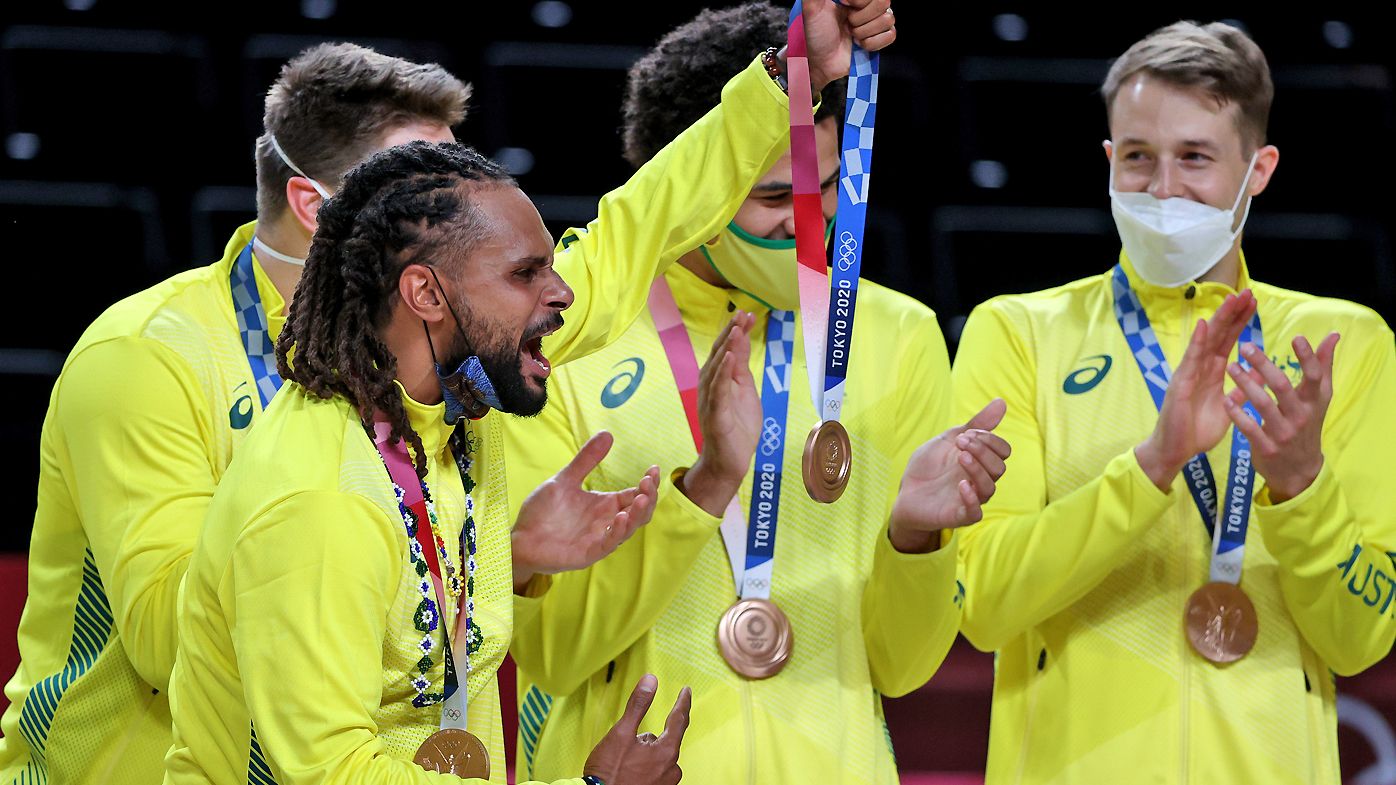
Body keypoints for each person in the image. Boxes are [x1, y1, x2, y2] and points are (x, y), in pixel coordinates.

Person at [162, 2, 899, 781]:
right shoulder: (317, 493)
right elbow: (331, 772)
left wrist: (796, 78)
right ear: (426, 293)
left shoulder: (454, 396)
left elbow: (638, 225)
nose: (564, 296)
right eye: (526, 274)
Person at [500, 4, 1009, 784]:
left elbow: (901, 667)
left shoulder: (897, 335)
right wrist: (697, 498)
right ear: (699, 194)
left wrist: (916, 540)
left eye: (831, 187)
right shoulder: (568, 347)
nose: (816, 222)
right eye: (776, 198)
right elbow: (555, 655)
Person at [0, 43, 470, 784]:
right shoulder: (145, 356)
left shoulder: (419, 357)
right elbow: (166, 640)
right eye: (429, 199)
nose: (464, 224)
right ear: (317, 206)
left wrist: (516, 553)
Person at [951, 20, 1396, 784]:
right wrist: (1151, 466)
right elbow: (984, 604)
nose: (1163, 190)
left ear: (1259, 169)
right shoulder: (1016, 331)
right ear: (1107, 160)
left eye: (1194, 158)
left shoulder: (1341, 345)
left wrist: (1300, 487)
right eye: (1137, 158)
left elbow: (1362, 636)